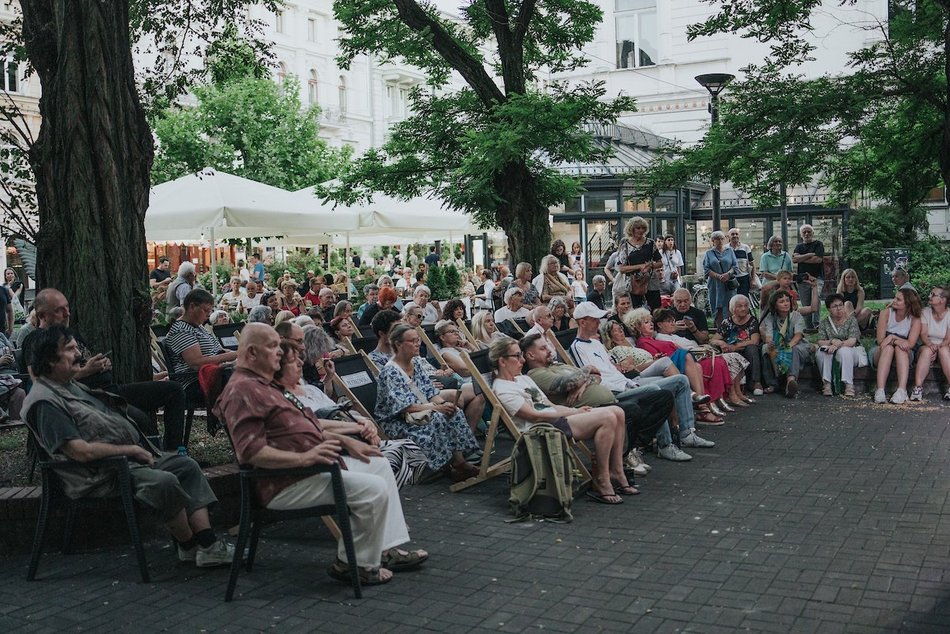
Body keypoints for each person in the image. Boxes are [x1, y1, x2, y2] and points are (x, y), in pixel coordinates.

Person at [214, 324, 426, 586]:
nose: (279, 352)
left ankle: (383, 551)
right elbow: (252, 452)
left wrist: (347, 442)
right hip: (288, 481)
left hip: (311, 470)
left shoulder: (266, 386)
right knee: (374, 489)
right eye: (272, 346)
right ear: (251, 353)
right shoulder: (242, 390)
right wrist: (306, 458)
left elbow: (306, 426)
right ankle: (353, 564)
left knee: (378, 463)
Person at [26, 325, 233, 568]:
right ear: (50, 359)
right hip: (103, 473)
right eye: (71, 350)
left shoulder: (69, 384)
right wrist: (130, 450)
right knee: (164, 481)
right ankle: (189, 545)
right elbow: (78, 451)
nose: (79, 355)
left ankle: (207, 545)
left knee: (185, 465)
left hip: (128, 461)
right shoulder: (45, 402)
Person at [23, 289, 189, 450]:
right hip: (88, 398)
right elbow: (40, 381)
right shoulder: (36, 340)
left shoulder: (70, 335)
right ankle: (145, 461)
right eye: (60, 310)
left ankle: (175, 451)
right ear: (42, 315)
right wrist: (87, 370)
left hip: (111, 391)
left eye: (67, 308)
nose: (67, 314)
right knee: (140, 419)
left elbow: (86, 361)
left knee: (174, 390)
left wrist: (101, 364)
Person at [490, 335, 636, 503]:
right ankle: (602, 478)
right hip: (541, 429)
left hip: (554, 419)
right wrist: (572, 414)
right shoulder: (502, 389)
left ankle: (617, 471)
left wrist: (574, 410)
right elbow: (533, 415)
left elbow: (548, 404)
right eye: (517, 356)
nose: (522, 360)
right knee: (607, 417)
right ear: (502, 361)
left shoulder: (523, 379)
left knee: (618, 411)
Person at [567, 303, 715, 458]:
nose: (598, 322)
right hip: (615, 391)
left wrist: (623, 370)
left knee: (680, 380)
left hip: (628, 381)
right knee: (656, 392)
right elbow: (593, 377)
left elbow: (611, 369)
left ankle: (687, 433)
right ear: (583, 322)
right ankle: (665, 445)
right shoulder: (578, 347)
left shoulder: (596, 344)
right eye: (594, 319)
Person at [520, 332, 671, 477]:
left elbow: (597, 377)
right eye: (542, 348)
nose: (548, 350)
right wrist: (587, 370)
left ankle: (632, 447)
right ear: (530, 355)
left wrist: (582, 384)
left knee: (663, 397)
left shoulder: (559, 366)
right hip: (590, 411)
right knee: (632, 410)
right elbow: (566, 384)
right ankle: (623, 455)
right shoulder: (536, 374)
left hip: (613, 400)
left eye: (547, 346)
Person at [374, 324, 481, 481]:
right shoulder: (391, 371)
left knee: (453, 410)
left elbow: (430, 392)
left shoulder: (416, 363)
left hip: (420, 410)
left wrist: (442, 404)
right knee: (438, 417)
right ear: (398, 344)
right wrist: (437, 408)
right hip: (397, 421)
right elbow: (404, 407)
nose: (418, 343)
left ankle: (459, 462)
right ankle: (452, 465)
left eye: (418, 340)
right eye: (413, 341)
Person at [625, 308, 731, 421]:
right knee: (685, 355)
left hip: (675, 361)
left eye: (650, 321)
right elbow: (654, 357)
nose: (651, 324)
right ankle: (702, 407)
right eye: (646, 322)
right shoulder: (643, 342)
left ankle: (701, 404)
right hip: (667, 364)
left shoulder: (654, 338)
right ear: (637, 327)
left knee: (698, 366)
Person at [164, 289, 239, 402]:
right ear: (192, 306)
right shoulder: (181, 330)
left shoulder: (198, 326)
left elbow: (218, 351)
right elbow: (196, 363)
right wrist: (235, 355)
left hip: (211, 376)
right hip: (195, 382)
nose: (208, 315)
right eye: (206, 310)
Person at [871, 288, 922, 404]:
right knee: (889, 348)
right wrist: (893, 341)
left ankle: (901, 390)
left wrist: (893, 338)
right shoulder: (886, 313)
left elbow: (910, 344)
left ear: (908, 303)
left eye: (898, 299)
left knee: (901, 348)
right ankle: (880, 390)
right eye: (895, 297)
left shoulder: (915, 319)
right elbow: (881, 342)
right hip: (882, 352)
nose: (894, 301)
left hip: (904, 353)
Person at [759, 290, 813, 398]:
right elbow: (768, 334)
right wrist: (770, 342)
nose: (786, 303)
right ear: (775, 305)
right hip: (779, 345)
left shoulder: (796, 316)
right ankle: (772, 383)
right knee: (765, 348)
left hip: (797, 345)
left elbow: (798, 336)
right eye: (782, 301)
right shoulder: (770, 317)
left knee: (794, 349)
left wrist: (787, 346)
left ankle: (791, 381)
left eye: (787, 300)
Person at [713, 294, 763, 397]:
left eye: (745, 306)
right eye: (739, 306)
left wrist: (736, 346)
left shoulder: (752, 321)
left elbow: (755, 340)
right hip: (731, 351)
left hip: (746, 350)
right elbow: (713, 340)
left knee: (752, 348)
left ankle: (756, 382)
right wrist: (721, 343)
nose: (743, 309)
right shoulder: (726, 322)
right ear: (733, 309)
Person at [815, 294, 862, 398]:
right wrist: (832, 341)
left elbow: (852, 341)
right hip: (831, 350)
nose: (838, 308)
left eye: (841, 305)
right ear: (829, 309)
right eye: (834, 306)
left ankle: (848, 385)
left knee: (845, 351)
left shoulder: (851, 320)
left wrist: (837, 345)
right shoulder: (825, 322)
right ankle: (827, 384)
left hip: (849, 352)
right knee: (823, 352)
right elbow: (820, 341)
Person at [615, 217, 662, 311]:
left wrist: (650, 265)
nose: (640, 230)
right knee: (635, 310)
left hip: (650, 281)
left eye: (642, 228)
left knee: (656, 309)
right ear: (632, 229)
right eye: (638, 228)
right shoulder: (625, 244)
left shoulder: (650, 243)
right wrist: (639, 266)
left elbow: (660, 263)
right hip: (633, 283)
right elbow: (621, 268)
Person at [912, 286, 950, 401]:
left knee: (944, 351)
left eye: (933, 294)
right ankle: (917, 388)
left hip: (945, 346)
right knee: (927, 351)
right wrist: (930, 345)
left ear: (942, 300)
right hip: (928, 345)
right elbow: (923, 334)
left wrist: (939, 348)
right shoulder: (925, 312)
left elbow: (948, 339)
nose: (929, 296)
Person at [702, 231, 739, 327]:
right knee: (718, 308)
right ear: (713, 241)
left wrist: (728, 274)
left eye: (722, 238)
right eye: (717, 239)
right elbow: (706, 269)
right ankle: (720, 329)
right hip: (715, 285)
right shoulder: (709, 253)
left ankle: (732, 328)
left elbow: (735, 266)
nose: (720, 241)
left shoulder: (730, 251)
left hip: (728, 284)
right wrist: (718, 276)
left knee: (730, 306)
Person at [792, 224, 824, 330]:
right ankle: (809, 327)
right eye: (804, 232)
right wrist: (810, 254)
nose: (807, 234)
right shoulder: (799, 246)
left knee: (816, 298)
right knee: (805, 302)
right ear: (801, 234)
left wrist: (801, 258)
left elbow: (818, 260)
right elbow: (795, 260)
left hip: (817, 277)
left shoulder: (818, 244)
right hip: (802, 279)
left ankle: (816, 323)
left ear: (812, 233)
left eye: (809, 231)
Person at [727, 228, 756, 297]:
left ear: (739, 236)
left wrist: (753, 279)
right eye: (732, 234)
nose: (735, 236)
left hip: (743, 279)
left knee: (743, 299)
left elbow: (752, 264)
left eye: (736, 234)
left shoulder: (745, 247)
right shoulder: (725, 248)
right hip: (730, 279)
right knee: (731, 300)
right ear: (728, 237)